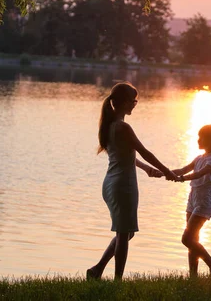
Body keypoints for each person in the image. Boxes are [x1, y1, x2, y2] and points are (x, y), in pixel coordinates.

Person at [87, 82, 177, 280]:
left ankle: (96, 271)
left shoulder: (109, 125)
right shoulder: (123, 127)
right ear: (124, 102)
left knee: (125, 233)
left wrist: (147, 170)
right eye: (133, 100)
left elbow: (127, 156)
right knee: (124, 234)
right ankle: (117, 281)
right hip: (123, 186)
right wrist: (168, 171)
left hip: (110, 184)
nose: (135, 104)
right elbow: (145, 152)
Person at [173, 124, 211, 277]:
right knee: (193, 240)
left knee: (187, 238)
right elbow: (182, 170)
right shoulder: (199, 158)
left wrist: (182, 178)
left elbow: (198, 174)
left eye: (200, 137)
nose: (197, 140)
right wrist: (162, 172)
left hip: (204, 201)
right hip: (193, 198)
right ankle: (193, 276)